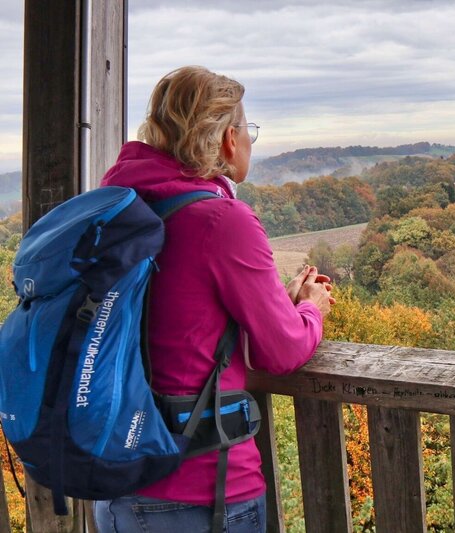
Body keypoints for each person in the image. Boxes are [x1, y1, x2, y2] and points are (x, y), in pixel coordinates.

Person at [92, 66, 333, 532]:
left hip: (118, 488)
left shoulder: (119, 208)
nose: (248, 142)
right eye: (248, 130)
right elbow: (281, 351)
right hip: (202, 494)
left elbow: (173, 318)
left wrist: (274, 302)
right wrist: (310, 309)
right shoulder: (222, 221)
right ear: (227, 138)